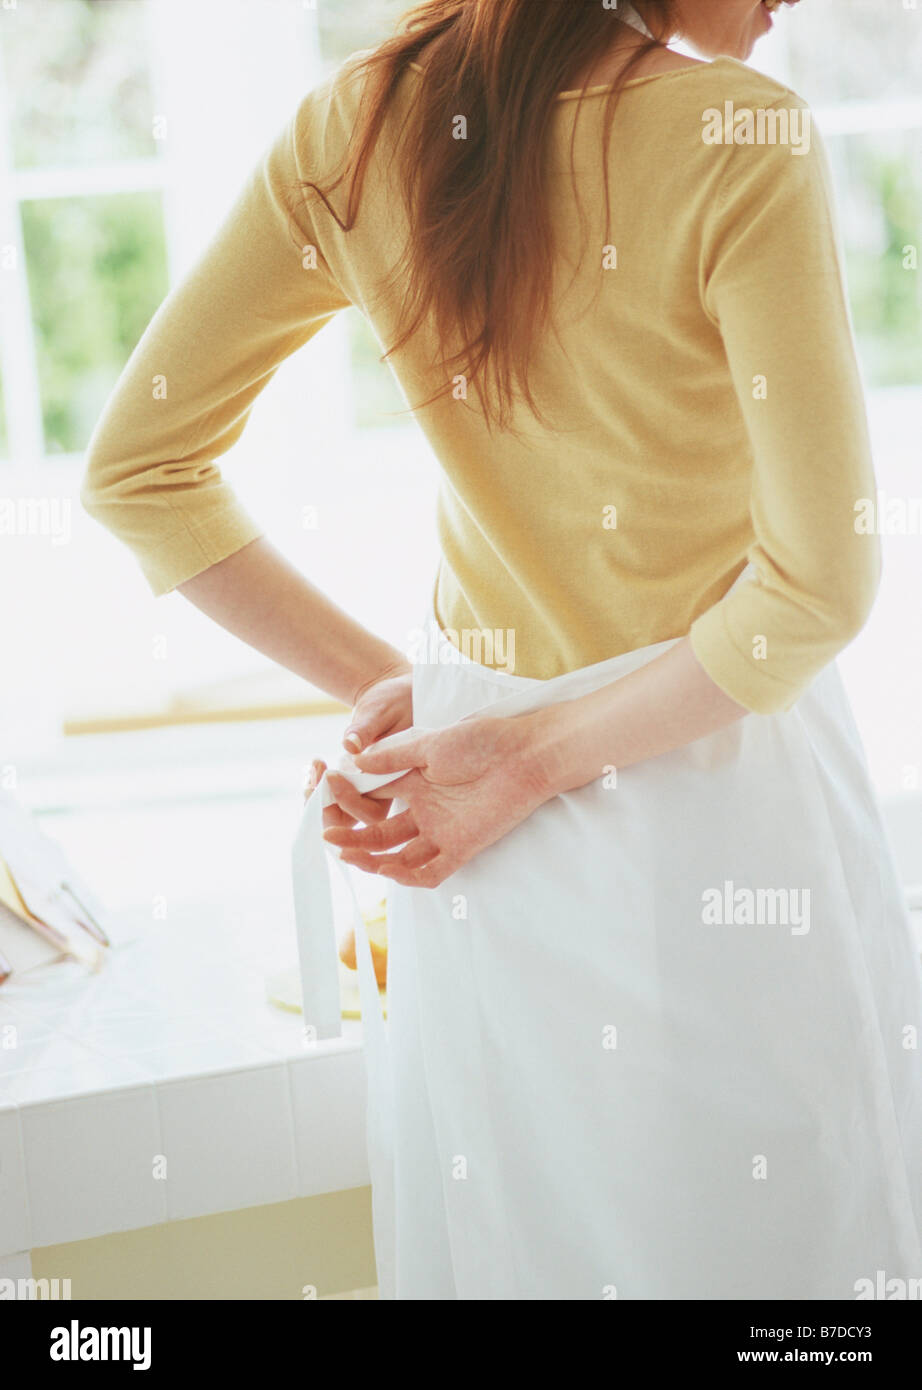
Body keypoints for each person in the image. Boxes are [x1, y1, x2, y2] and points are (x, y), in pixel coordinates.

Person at [82, 0, 922, 1299]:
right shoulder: (737, 139)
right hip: (713, 793)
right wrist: (506, 750)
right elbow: (813, 587)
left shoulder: (351, 130)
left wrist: (443, 713)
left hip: (471, 838)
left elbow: (139, 469)